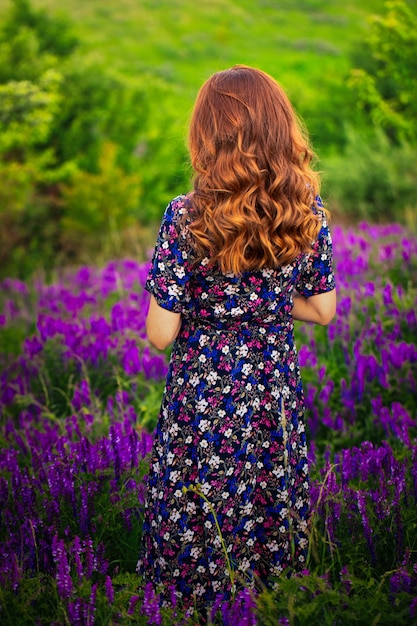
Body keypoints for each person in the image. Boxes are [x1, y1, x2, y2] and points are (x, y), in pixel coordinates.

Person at [136, 65, 336, 618]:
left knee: (198, 526)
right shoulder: (307, 210)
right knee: (270, 525)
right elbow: (322, 309)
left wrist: (207, 298)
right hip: (272, 393)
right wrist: (262, 300)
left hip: (203, 403)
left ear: (209, 135)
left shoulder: (186, 215)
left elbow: (160, 334)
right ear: (280, 130)